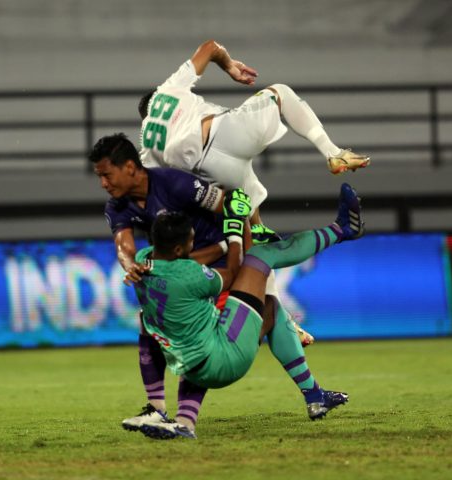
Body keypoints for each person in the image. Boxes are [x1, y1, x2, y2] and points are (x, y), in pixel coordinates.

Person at [89, 133, 316, 433]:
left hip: (221, 262)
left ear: (129, 167)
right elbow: (123, 246)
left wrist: (239, 239)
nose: (104, 184)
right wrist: (130, 265)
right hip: (183, 270)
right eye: (100, 177)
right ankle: (161, 411)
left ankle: (310, 390)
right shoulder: (117, 206)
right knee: (151, 321)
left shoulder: (174, 183)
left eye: (107, 174)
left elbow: (230, 205)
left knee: (230, 325)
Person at [129, 181, 364, 439]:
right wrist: (234, 229)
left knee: (270, 308)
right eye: (190, 243)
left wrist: (218, 247)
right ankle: (342, 229)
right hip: (224, 358)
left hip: (191, 363)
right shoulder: (188, 277)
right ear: (178, 249)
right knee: (261, 257)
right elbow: (232, 271)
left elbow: (183, 261)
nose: (192, 247)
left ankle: (184, 423)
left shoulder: (144, 261)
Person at [138, 39, 370, 231]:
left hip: (212, 172)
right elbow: (209, 47)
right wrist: (228, 65)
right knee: (281, 93)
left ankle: (257, 230)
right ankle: (334, 153)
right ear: (155, 98)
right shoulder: (166, 90)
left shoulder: (146, 145)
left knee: (246, 201)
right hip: (220, 136)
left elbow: (151, 188)